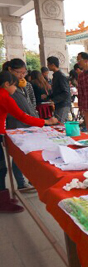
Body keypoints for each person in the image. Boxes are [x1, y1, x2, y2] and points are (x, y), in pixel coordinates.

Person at [0, 71, 58, 212]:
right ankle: (3, 202)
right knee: (1, 169)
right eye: (14, 86)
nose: (15, 89)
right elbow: (22, 116)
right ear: (7, 84)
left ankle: (3, 198)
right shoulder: (5, 97)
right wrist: (46, 121)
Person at [46, 56, 71, 123]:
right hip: (59, 104)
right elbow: (56, 91)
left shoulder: (61, 76)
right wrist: (48, 97)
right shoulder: (55, 76)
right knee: (58, 123)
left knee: (60, 124)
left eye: (48, 64)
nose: (47, 66)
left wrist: (54, 100)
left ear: (53, 65)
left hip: (63, 104)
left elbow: (66, 92)